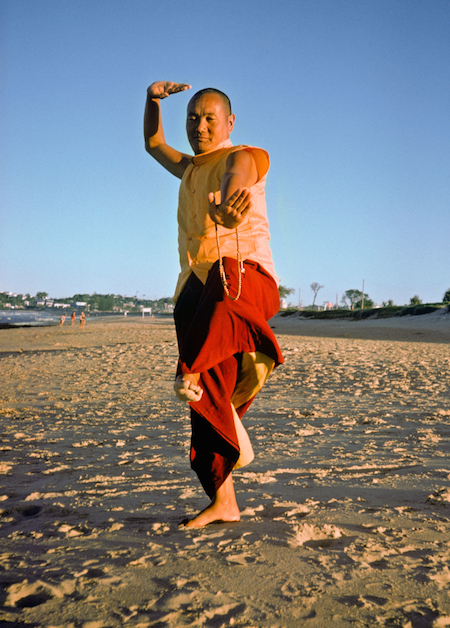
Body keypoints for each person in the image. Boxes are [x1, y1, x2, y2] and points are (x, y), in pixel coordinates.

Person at [144, 81, 283, 528]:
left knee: (201, 354)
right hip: (193, 284)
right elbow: (152, 143)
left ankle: (200, 369)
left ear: (229, 122)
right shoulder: (188, 168)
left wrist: (228, 204)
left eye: (209, 118)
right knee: (205, 397)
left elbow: (237, 174)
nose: (199, 126)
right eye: (192, 118)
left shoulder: (243, 155)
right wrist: (151, 100)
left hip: (242, 271)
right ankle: (225, 501)